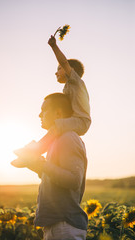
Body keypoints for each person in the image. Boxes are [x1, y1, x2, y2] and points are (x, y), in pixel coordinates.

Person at [11, 93, 88, 240]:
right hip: (58, 225)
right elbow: (56, 178)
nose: (39, 115)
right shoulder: (57, 141)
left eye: (43, 110)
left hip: (65, 225)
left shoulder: (68, 138)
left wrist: (41, 164)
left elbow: (73, 180)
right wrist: (37, 167)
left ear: (58, 113)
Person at [12, 35, 91, 166]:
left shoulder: (76, 82)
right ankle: (34, 154)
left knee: (56, 127)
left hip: (81, 121)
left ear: (70, 70)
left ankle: (34, 151)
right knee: (55, 132)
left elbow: (65, 62)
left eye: (59, 68)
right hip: (76, 120)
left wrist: (54, 46)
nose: (56, 72)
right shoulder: (68, 88)